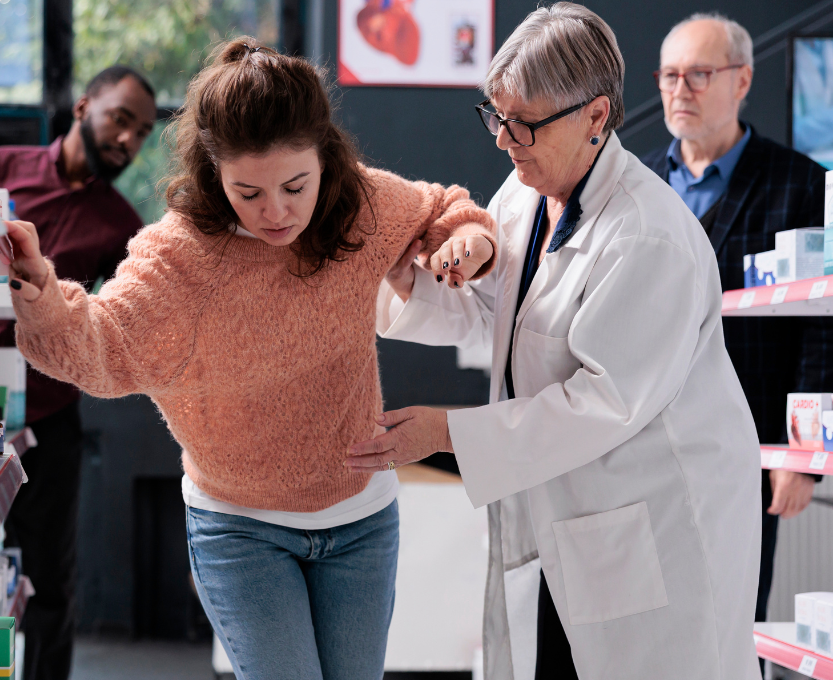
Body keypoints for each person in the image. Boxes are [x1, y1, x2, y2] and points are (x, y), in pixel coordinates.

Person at [0, 38, 497, 680]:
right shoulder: (181, 256)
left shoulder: (358, 207)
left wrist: (468, 238)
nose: (275, 212)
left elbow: (436, 208)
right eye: (248, 191)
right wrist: (40, 294)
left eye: (294, 185)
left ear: (326, 159)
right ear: (214, 173)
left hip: (363, 517)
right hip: (241, 528)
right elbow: (102, 342)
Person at [349, 4, 761, 678]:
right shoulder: (526, 191)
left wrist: (448, 432)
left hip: (660, 509)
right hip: (572, 502)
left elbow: (600, 404)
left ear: (596, 117)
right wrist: (404, 277)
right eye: (495, 117)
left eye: (524, 124)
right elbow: (493, 318)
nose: (504, 142)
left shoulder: (645, 235)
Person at [0, 65, 158, 680]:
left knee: (48, 586)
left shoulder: (120, 224)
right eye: (120, 119)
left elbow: (110, 319)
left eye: (143, 132)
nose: (129, 140)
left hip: (46, 422)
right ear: (83, 108)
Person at [639, 13, 828, 633]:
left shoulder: (799, 184)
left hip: (746, 446)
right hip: (643, 447)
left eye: (699, 74)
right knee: (645, 622)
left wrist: (803, 455)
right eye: (670, 75)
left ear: (742, 80)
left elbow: (821, 329)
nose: (680, 89)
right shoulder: (638, 188)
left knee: (732, 619)